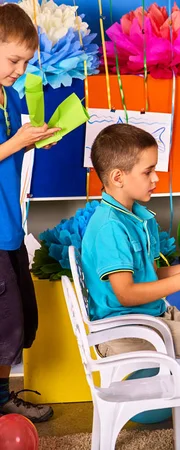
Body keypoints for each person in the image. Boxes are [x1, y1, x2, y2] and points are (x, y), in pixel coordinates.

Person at [81, 123, 180, 444]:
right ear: (118, 177)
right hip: (125, 329)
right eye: (148, 171)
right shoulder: (109, 227)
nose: (156, 178)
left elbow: (151, 276)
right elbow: (125, 295)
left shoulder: (137, 216)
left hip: (154, 317)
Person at [0, 3, 61, 422]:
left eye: (25, 62)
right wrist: (17, 143)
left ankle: (2, 394)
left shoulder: (3, 95)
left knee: (17, 322)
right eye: (13, 60)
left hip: (8, 224)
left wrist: (32, 143)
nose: (20, 70)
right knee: (3, 323)